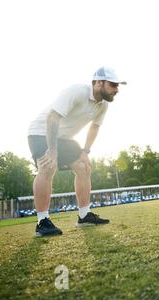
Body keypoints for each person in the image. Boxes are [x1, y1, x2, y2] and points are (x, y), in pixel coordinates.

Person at [27, 66, 126, 236]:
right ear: (98, 83)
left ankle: (84, 215)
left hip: (65, 137)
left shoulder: (103, 105)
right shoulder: (76, 91)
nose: (116, 90)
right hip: (41, 132)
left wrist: (85, 151)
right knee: (48, 166)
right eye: (113, 85)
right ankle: (42, 222)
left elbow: (94, 127)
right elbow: (52, 117)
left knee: (84, 166)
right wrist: (52, 149)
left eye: (117, 86)